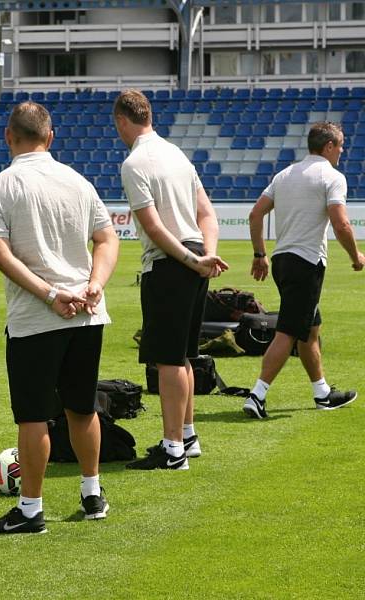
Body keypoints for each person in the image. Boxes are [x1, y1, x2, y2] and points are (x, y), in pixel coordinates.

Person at [0, 101, 120, 534]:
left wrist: (51, 293)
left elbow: (0, 254)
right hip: (87, 316)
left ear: (8, 136)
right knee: (82, 408)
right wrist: (95, 284)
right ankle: (92, 493)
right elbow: (107, 238)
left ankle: (32, 510)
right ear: (51, 136)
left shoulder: (1, 186)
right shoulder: (78, 181)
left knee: (33, 416)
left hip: (36, 319)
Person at [113, 89, 228, 471]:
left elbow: (154, 227)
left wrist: (193, 260)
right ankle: (187, 436)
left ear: (122, 121)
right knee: (183, 356)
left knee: (167, 360)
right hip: (193, 255)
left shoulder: (134, 164)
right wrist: (205, 256)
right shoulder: (177, 154)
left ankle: (173, 448)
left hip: (170, 262)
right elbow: (207, 214)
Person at [244, 121, 364, 419]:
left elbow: (256, 213)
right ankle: (257, 395)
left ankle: (322, 392)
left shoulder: (284, 175)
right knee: (288, 330)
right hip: (306, 262)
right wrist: (356, 256)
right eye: (340, 145)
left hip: (283, 261)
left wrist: (260, 253)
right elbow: (341, 224)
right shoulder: (332, 177)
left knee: (309, 328)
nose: (342, 150)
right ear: (328, 146)